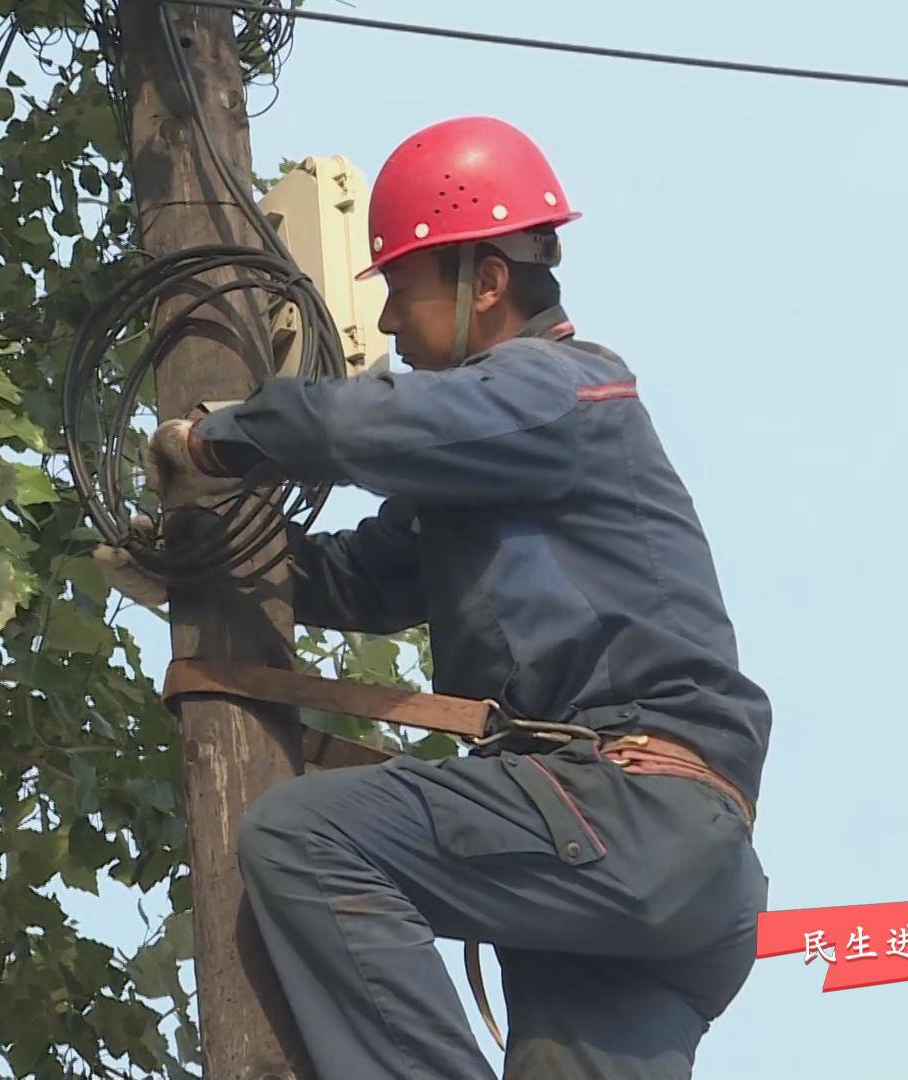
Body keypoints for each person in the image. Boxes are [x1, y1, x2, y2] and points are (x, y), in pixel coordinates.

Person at [100, 116, 771, 1079]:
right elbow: (366, 576)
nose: (383, 330)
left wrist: (223, 437)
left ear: (486, 282)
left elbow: (381, 422)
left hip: (627, 813)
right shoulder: (497, 458)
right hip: (663, 876)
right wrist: (200, 561)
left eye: (401, 292)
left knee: (306, 835)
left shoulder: (560, 392)